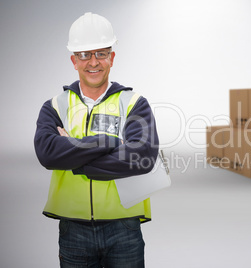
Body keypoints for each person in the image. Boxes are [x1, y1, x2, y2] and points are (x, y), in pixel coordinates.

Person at [34, 12, 159, 267]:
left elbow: (142, 157)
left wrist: (75, 160)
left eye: (101, 53)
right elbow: (47, 153)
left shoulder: (134, 103)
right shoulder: (55, 107)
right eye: (84, 54)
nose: (93, 62)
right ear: (74, 60)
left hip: (124, 227)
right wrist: (111, 142)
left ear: (111, 58)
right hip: (74, 230)